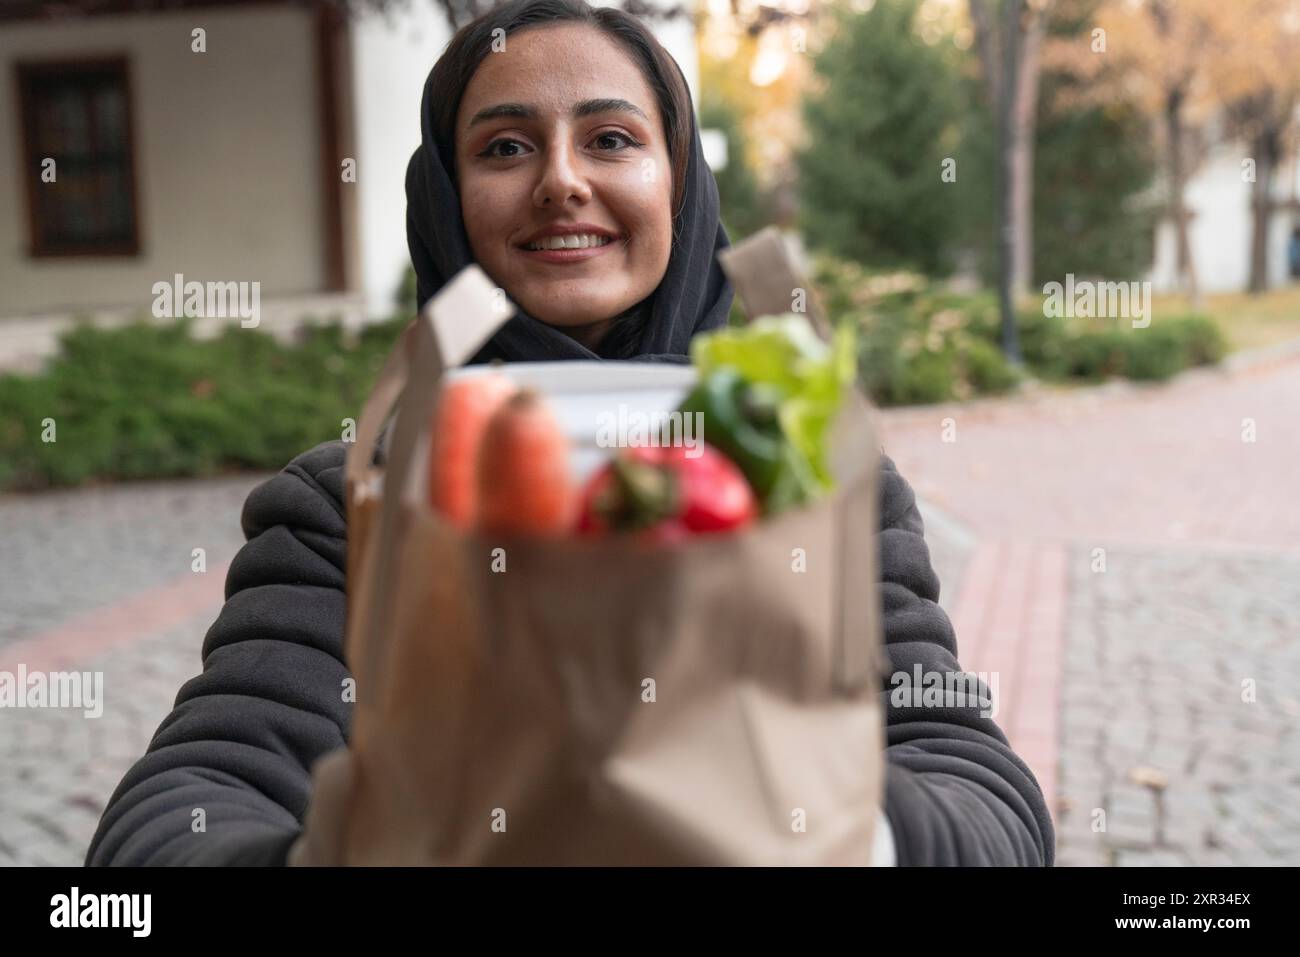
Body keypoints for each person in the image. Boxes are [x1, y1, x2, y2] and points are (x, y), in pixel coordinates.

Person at [85, 0, 1053, 867]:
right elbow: (172, 822)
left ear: (679, 185)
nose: (560, 182)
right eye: (504, 147)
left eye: (611, 139)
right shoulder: (352, 504)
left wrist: (837, 824)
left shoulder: (809, 479)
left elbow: (985, 799)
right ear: (445, 205)